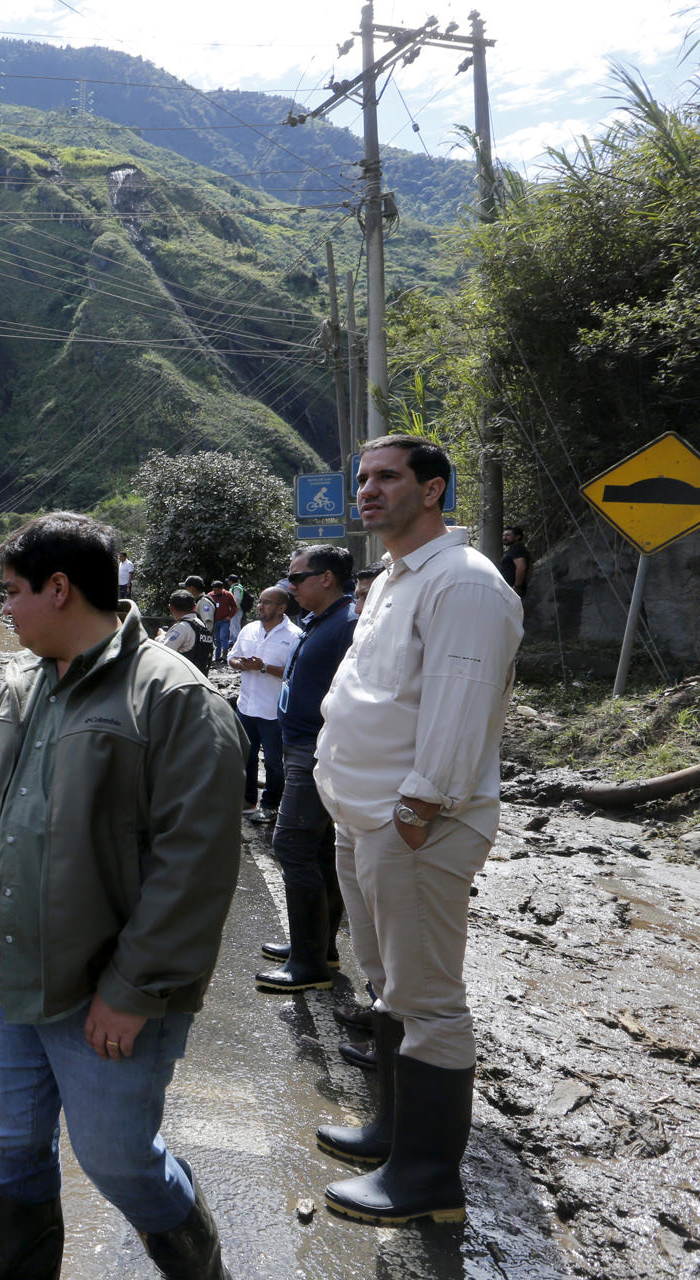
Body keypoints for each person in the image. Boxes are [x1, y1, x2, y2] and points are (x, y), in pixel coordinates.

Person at [0, 512, 244, 1280]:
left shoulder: (173, 698)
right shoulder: (22, 686)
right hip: (3, 974)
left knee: (119, 1163)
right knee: (11, 1148)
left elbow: (196, 865)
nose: (4, 608)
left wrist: (135, 989)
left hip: (102, 989)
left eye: (11, 592)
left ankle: (201, 1268)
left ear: (60, 588)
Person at [313, 435, 523, 1227]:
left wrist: (413, 813)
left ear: (432, 489)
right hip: (366, 819)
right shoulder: (399, 578)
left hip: (415, 829)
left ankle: (428, 1179)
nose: (367, 491)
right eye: (363, 478)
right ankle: (392, 1136)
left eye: (387, 477)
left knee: (428, 1000)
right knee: (387, 984)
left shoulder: (464, 584)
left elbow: (459, 711)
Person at [253, 544, 358, 996]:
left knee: (292, 845)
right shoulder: (323, 620)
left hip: (317, 750)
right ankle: (316, 948)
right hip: (301, 745)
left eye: (296, 578)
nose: (289, 586)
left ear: (327, 578)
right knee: (317, 850)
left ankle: (308, 964)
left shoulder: (348, 624)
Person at [228, 587, 299, 823]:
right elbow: (232, 657)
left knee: (273, 761)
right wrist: (241, 664)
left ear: (281, 608)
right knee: (245, 756)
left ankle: (270, 805)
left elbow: (295, 673)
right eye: (260, 602)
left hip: (273, 711)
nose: (260, 606)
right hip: (246, 706)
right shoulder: (249, 629)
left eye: (267, 603)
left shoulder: (294, 635)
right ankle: (248, 801)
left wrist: (264, 667)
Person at [157, 591, 214, 672]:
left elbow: (164, 651)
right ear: (194, 607)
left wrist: (160, 637)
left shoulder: (182, 627)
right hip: (201, 677)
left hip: (183, 679)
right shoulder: (202, 626)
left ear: (171, 608)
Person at [207, 580, 239, 662]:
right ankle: (217, 657)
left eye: (217, 590)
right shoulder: (210, 595)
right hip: (214, 621)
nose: (216, 592)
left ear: (222, 589)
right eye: (214, 590)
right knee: (216, 639)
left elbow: (234, 607)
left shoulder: (228, 595)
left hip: (225, 620)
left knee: (223, 637)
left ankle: (225, 655)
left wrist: (230, 616)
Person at [499, 527, 530, 598]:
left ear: (517, 537)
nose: (504, 537)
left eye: (507, 535)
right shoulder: (515, 549)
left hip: (513, 589)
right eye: (503, 535)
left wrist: (517, 587)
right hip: (511, 588)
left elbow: (521, 568)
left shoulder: (517, 548)